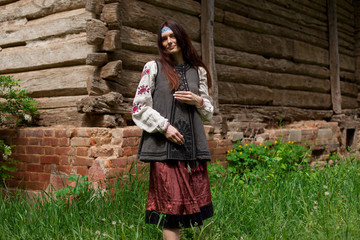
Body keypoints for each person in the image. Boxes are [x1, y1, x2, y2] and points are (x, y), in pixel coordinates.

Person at [132, 20, 214, 240]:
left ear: (181, 37)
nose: (169, 42)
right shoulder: (153, 67)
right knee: (171, 209)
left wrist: (198, 100)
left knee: (190, 208)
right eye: (164, 39)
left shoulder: (199, 71)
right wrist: (164, 127)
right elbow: (139, 107)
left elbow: (208, 112)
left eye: (172, 36)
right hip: (164, 147)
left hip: (191, 149)